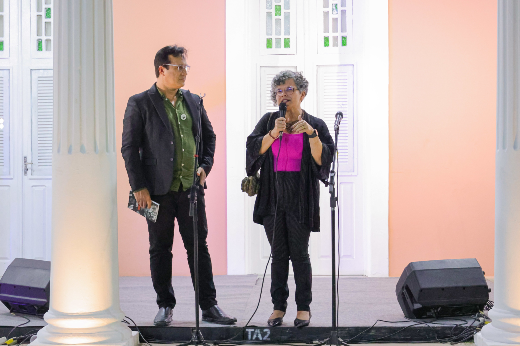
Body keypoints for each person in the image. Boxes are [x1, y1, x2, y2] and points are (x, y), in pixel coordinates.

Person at [121, 45, 236, 326]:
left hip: (191, 191)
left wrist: (205, 167)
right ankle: (165, 305)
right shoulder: (140, 102)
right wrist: (139, 187)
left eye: (186, 67)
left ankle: (209, 306)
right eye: (179, 67)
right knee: (160, 248)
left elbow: (209, 138)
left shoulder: (193, 100)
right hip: (155, 192)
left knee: (199, 246)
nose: (185, 72)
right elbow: (129, 148)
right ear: (163, 69)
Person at [246, 71, 334, 328]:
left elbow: (323, 160)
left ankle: (304, 307)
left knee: (300, 255)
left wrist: (312, 135)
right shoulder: (268, 121)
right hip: (272, 197)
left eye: (289, 90)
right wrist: (273, 133)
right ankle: (278, 307)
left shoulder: (315, 124)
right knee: (278, 254)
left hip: (300, 197)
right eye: (279, 91)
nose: (283, 94)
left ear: (302, 94)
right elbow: (253, 150)